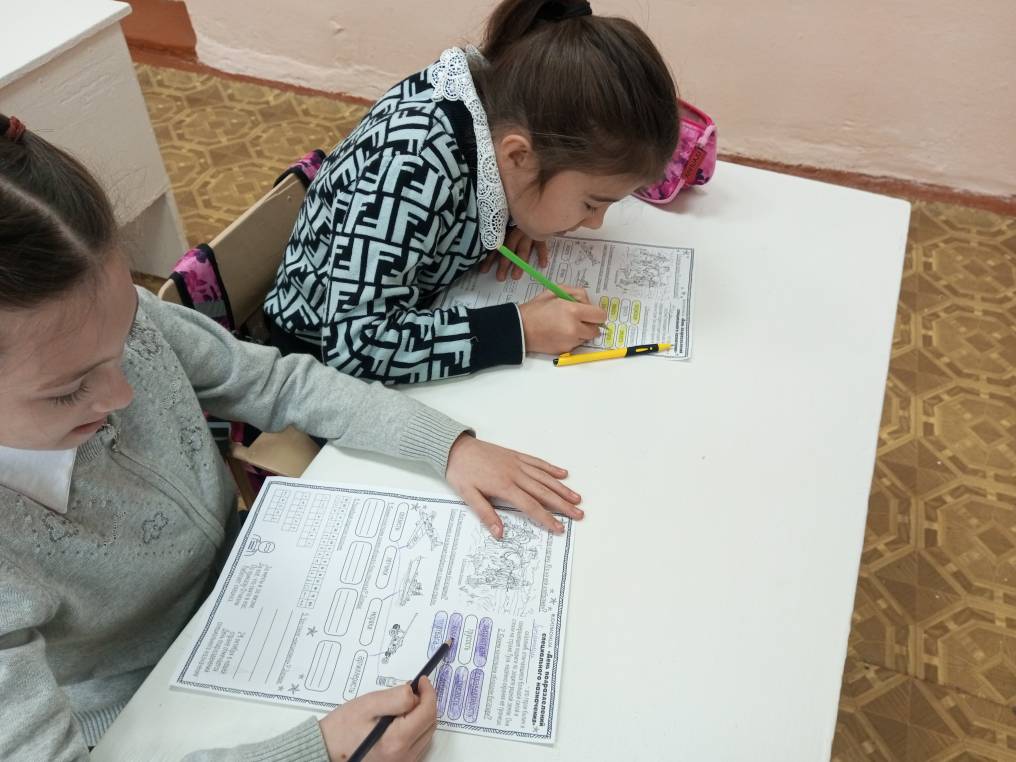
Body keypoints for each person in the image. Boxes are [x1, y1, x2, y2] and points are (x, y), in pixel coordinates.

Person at [0, 113, 582, 760]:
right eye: (68, 390)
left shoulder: (108, 324)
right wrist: (315, 754)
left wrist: (445, 444)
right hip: (141, 706)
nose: (122, 394)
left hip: (255, 586)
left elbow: (276, 382)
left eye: (125, 336)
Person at [264, 0, 678, 383]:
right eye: (590, 204)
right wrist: (520, 328)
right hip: (312, 356)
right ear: (519, 156)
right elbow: (357, 344)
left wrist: (522, 213)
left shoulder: (503, 113)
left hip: (412, 301)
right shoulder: (414, 162)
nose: (595, 223)